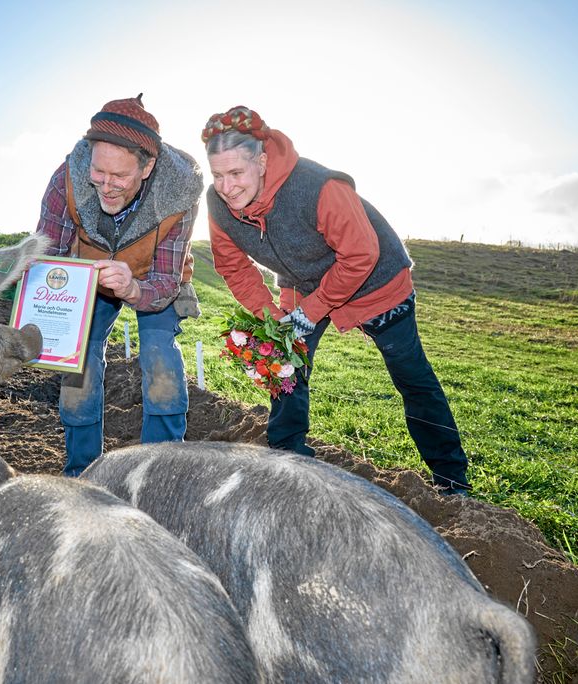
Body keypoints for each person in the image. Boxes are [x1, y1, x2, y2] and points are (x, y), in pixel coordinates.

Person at [201, 105, 470, 494]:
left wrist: (310, 313)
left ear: (261, 162)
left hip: (375, 283)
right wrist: (273, 319)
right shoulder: (218, 203)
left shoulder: (320, 187)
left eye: (236, 174)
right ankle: (287, 457)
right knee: (285, 366)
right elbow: (232, 265)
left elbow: (361, 255)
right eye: (218, 175)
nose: (227, 187)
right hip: (303, 283)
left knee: (412, 376)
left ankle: (451, 480)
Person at [36, 94, 203, 477]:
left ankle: (159, 471)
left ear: (147, 167)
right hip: (89, 274)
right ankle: (82, 471)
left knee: (160, 360)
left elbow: (166, 281)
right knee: (80, 366)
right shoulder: (68, 179)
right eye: (99, 172)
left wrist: (133, 290)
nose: (107, 186)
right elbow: (49, 256)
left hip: (154, 277)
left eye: (120, 176)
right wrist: (44, 316)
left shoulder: (180, 190)